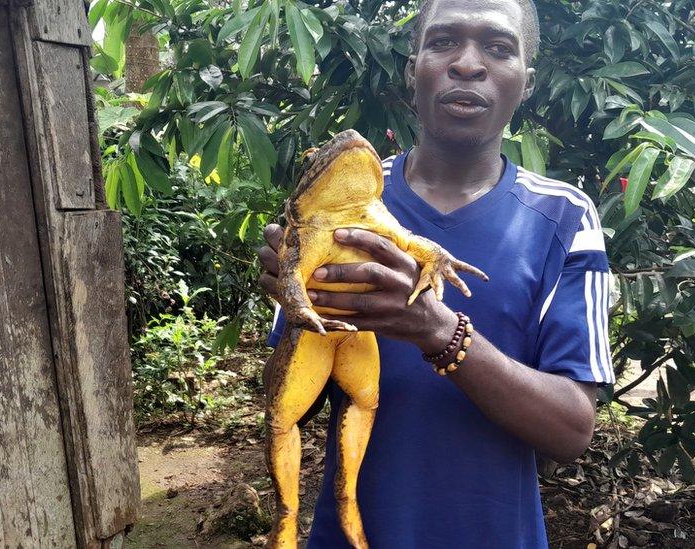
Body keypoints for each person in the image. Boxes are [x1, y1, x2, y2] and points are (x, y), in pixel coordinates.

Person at [257, 0, 614, 546]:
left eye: (498, 48)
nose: (468, 64)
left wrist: (438, 330)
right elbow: (287, 409)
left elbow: (571, 429)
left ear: (528, 82)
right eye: (444, 42)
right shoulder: (339, 202)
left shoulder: (564, 217)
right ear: (412, 67)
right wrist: (295, 299)